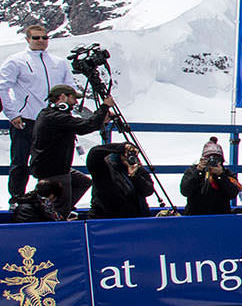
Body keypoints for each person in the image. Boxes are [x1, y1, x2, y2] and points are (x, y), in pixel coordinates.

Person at [1, 24, 75, 205]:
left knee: (53, 165)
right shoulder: (16, 60)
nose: (41, 41)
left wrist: (64, 113)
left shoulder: (58, 62)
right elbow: (3, 86)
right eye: (36, 38)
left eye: (44, 37)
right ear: (27, 39)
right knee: (20, 162)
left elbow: (70, 88)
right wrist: (13, 113)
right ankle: (17, 200)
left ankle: (51, 202)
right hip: (27, 119)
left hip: (53, 123)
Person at [29, 85, 109, 213]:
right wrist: (104, 107)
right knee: (61, 207)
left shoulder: (47, 114)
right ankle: (58, 214)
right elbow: (85, 126)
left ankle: (54, 211)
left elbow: (81, 126)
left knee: (83, 182)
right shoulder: (56, 117)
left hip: (51, 166)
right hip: (55, 170)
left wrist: (99, 119)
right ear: (62, 97)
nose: (75, 102)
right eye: (73, 98)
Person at [84, 142, 153, 218]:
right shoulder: (104, 171)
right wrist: (121, 147)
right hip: (107, 221)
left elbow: (148, 190)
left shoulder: (138, 170)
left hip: (135, 220)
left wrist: (134, 176)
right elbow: (94, 154)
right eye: (125, 154)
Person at [180, 143, 242, 214]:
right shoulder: (192, 171)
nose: (212, 162)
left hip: (220, 216)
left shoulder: (227, 174)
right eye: (209, 159)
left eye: (217, 159)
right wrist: (199, 172)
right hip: (195, 215)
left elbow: (232, 194)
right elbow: (185, 191)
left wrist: (220, 176)